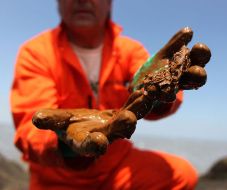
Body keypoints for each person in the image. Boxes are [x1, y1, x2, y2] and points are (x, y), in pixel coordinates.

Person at [10, 0, 209, 189]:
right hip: (57, 178)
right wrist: (66, 145)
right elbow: (30, 124)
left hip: (117, 167)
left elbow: (157, 94)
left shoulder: (129, 50)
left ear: (109, 3)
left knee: (182, 174)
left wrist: (157, 98)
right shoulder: (36, 52)